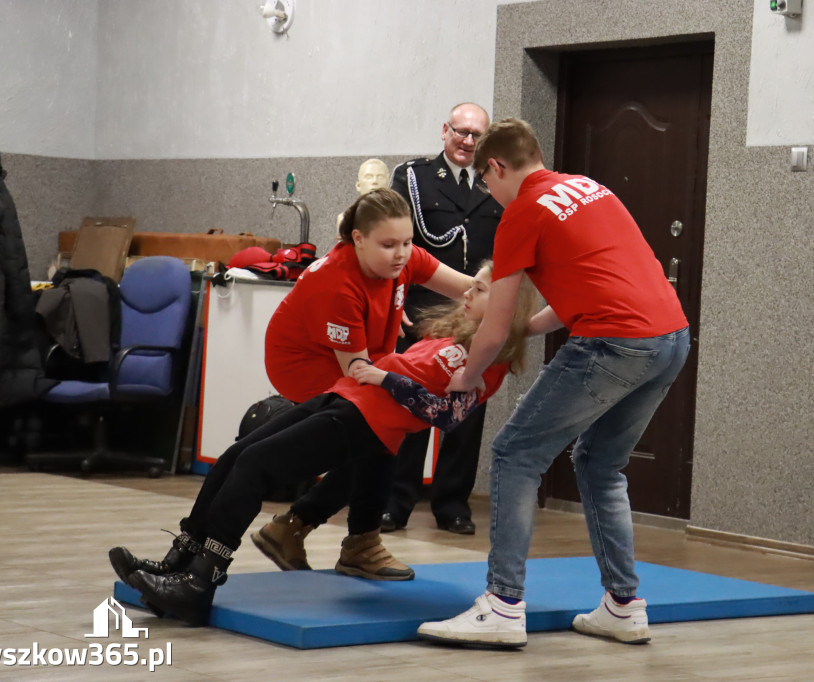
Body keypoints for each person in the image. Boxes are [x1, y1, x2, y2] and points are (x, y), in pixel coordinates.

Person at [109, 262, 538, 627]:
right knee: (237, 455)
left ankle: (203, 579)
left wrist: (387, 377)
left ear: (503, 306)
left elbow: (446, 416)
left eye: (480, 289)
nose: (469, 290)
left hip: (364, 420)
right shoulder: (459, 335)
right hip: (346, 395)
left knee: (255, 466)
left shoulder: (489, 363)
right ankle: (179, 560)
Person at [416, 118, 690, 649]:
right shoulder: (590, 188)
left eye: (486, 182)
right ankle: (624, 606)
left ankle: (501, 604)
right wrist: (513, 334)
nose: (490, 195)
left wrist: (464, 380)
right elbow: (571, 300)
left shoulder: (522, 211)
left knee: (514, 453)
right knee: (598, 462)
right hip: (671, 340)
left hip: (614, 343)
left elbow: (493, 330)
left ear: (497, 166)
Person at [109, 188, 470, 587]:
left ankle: (293, 535)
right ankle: (212, 551)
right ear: (358, 239)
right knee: (369, 432)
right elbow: (358, 372)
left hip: (364, 365)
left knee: (368, 436)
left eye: (407, 243)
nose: (401, 254)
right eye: (389, 245)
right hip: (308, 365)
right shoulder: (338, 283)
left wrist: (512, 292)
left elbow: (472, 289)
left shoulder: (399, 258)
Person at [383, 101, 502, 536]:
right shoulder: (412, 178)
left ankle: (452, 504)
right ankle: (395, 502)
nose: (467, 141)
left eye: (476, 136)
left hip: (475, 314)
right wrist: (390, 305)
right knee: (410, 400)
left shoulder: (498, 183)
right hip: (422, 310)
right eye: (460, 132)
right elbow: (393, 244)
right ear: (444, 131)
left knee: (467, 409)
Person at [336, 158, 390, 231]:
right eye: (369, 177)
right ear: (358, 185)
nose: (374, 181)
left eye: (380, 177)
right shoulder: (345, 219)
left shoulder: (400, 219)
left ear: (388, 185)